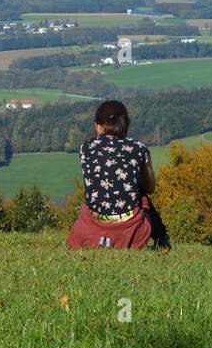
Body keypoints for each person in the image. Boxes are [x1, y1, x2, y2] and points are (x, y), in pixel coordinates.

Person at [67, 100, 170, 250]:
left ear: (97, 125)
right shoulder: (139, 149)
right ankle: (162, 240)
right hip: (129, 230)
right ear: (125, 124)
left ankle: (99, 237)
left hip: (91, 228)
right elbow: (151, 187)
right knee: (141, 193)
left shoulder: (86, 147)